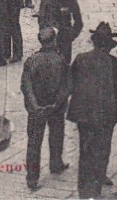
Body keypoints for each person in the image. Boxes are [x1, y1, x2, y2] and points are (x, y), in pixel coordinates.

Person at [68, 22, 117, 199]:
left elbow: (70, 84)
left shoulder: (80, 58)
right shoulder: (114, 63)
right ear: (108, 46)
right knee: (103, 148)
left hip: (83, 116)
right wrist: (115, 111)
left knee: (85, 150)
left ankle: (84, 189)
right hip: (105, 116)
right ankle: (97, 184)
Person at [21, 25, 71, 191]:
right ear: (54, 40)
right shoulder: (61, 60)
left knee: (34, 143)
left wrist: (36, 106)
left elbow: (26, 87)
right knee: (56, 136)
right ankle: (56, 163)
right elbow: (66, 86)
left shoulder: (31, 61)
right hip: (56, 108)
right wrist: (55, 104)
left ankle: (32, 179)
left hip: (37, 110)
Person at [39, 0, 83, 64]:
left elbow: (78, 21)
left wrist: (71, 35)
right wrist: (45, 36)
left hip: (65, 39)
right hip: (49, 40)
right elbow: (41, 19)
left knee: (65, 65)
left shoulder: (70, 0)